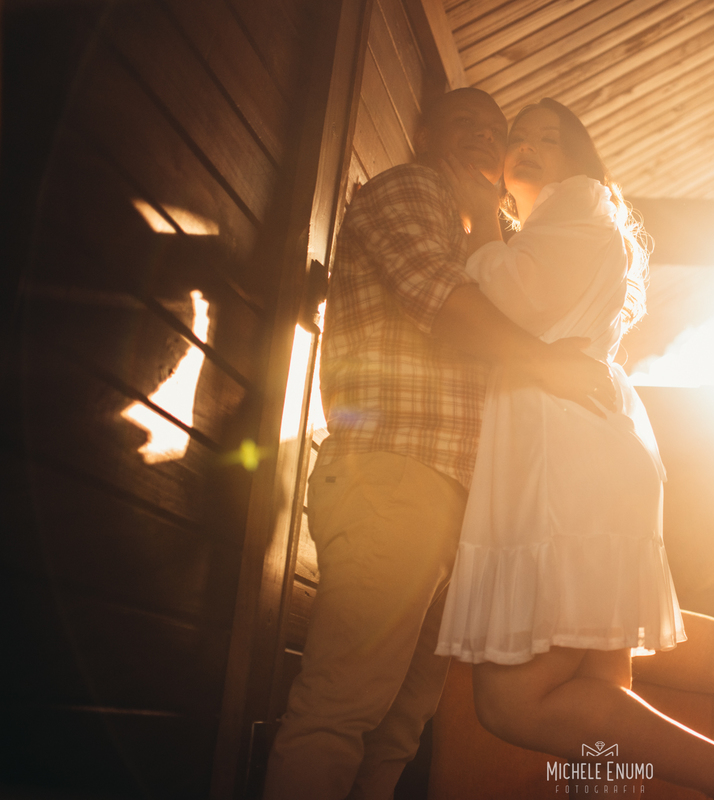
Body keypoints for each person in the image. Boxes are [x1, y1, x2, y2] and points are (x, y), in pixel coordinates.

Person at [262, 88, 618, 800]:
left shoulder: (487, 238)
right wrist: (547, 363)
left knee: (399, 727)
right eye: (467, 123)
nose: (488, 137)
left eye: (498, 130)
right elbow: (440, 301)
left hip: (452, 501)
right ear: (424, 133)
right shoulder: (411, 189)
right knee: (340, 707)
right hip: (397, 473)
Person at [435, 98, 714, 800]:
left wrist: (477, 221)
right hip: (589, 454)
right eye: (519, 136)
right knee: (599, 703)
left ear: (579, 159)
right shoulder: (567, 223)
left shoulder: (575, 205)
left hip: (565, 466)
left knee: (511, 701)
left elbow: (512, 297)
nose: (527, 146)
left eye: (549, 138)